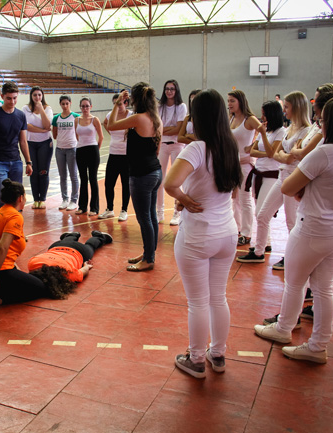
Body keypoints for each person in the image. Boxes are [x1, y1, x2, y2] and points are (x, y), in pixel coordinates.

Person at [253, 95, 333, 364]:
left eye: (323, 120)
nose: (319, 123)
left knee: (295, 282)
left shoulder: (325, 152)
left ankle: (283, 328)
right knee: (323, 287)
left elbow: (288, 187)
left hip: (315, 229)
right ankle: (318, 345)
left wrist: (303, 185)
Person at [163, 89, 242, 379]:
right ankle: (217, 354)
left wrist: (184, 200)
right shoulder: (229, 146)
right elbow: (232, 191)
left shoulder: (197, 148)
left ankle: (196, 360)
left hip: (198, 235)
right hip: (227, 233)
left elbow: (170, 184)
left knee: (198, 301)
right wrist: (188, 198)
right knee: (218, 297)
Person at [241, 91, 311, 270]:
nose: (284, 110)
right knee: (262, 214)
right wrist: (285, 155)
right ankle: (258, 252)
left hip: (293, 178)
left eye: (287, 107)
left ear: (297, 108)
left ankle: (292, 257)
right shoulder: (290, 129)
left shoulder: (306, 131)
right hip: (282, 175)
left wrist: (285, 155)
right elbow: (279, 154)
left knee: (291, 221)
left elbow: (286, 157)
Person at [107, 82, 162, 272]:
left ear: (136, 99)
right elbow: (157, 150)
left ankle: (149, 258)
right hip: (155, 171)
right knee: (151, 215)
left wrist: (117, 103)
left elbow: (111, 125)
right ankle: (149, 253)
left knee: (144, 218)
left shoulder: (138, 118)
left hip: (142, 175)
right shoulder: (156, 119)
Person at [0, 179, 46, 309]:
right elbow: (2, 247)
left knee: (23, 278)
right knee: (39, 288)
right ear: (20, 198)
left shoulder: (1, 212)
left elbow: (0, 244)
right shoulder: (15, 216)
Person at [235, 100, 286, 262]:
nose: (262, 117)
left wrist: (262, 136)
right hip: (259, 173)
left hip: (271, 175)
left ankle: (259, 251)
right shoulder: (268, 131)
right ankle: (266, 243)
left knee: (261, 213)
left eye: (264, 114)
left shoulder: (280, 132)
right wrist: (263, 149)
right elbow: (251, 151)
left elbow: (271, 153)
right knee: (260, 210)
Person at [0, 82, 33, 212]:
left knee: (17, 197)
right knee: (2, 196)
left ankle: (15, 222)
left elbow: (23, 141)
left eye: (15, 98)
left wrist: (28, 162)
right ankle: (2, 222)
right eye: (9, 98)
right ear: (2, 97)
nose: (12, 101)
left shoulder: (20, 115)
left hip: (15, 161)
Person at [27, 231, 113, 299]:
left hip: (79, 251)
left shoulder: (68, 274)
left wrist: (87, 266)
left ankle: (99, 236)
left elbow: (83, 271)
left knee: (90, 246)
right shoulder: (33, 264)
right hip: (56, 246)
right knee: (66, 242)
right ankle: (72, 235)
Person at [228, 90, 262, 247]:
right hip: (233, 164)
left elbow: (264, 132)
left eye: (232, 101)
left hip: (245, 164)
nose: (229, 104)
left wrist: (253, 146)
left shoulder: (250, 119)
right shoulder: (231, 118)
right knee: (234, 198)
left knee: (245, 198)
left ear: (240, 102)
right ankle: (238, 229)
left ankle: (247, 233)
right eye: (228, 101)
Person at [157, 80, 187, 226]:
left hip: (177, 145)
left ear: (176, 91)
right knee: (159, 179)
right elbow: (157, 127)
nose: (169, 91)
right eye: (167, 89)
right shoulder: (160, 107)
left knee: (177, 180)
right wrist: (168, 129)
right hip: (162, 145)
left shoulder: (181, 107)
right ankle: (159, 212)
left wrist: (164, 129)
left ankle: (177, 212)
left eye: (172, 89)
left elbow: (178, 129)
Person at [99, 93, 132, 221]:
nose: (116, 106)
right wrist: (113, 135)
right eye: (114, 104)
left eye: (119, 103)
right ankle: (109, 209)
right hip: (113, 153)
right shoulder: (110, 115)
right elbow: (106, 123)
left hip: (126, 155)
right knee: (109, 183)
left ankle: (124, 210)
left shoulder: (131, 115)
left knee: (125, 184)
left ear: (126, 103)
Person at [22, 86, 54, 209]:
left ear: (42, 96)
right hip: (30, 143)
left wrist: (41, 110)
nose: (37, 97)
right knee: (33, 171)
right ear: (31, 96)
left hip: (45, 143)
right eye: (35, 95)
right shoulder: (25, 109)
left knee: (43, 171)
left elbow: (47, 125)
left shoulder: (47, 109)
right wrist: (42, 130)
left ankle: (42, 199)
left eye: (39, 95)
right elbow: (26, 126)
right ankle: (36, 199)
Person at [74, 97, 103, 216]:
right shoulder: (76, 120)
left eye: (87, 106)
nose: (85, 108)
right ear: (80, 107)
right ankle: (82, 206)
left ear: (91, 107)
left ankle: (94, 208)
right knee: (83, 179)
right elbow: (77, 135)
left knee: (93, 178)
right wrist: (82, 145)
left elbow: (101, 137)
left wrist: (96, 149)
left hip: (93, 150)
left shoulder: (94, 119)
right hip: (80, 150)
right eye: (83, 106)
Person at [52, 95, 80, 211]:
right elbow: (54, 135)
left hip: (72, 149)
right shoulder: (56, 118)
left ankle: (74, 200)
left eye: (67, 103)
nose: (65, 106)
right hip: (60, 149)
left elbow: (79, 133)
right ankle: (64, 199)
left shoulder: (76, 117)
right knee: (62, 176)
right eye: (63, 104)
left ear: (70, 103)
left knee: (73, 175)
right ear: (60, 104)